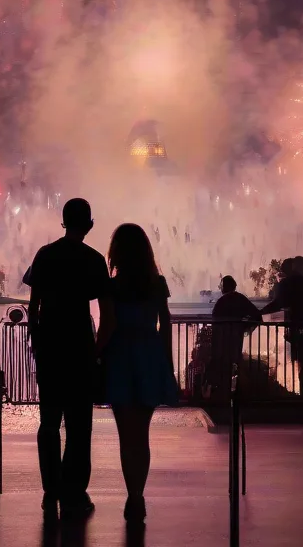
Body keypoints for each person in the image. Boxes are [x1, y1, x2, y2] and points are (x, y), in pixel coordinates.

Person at [24, 197, 111, 522]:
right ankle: (74, 491)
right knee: (79, 427)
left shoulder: (45, 255)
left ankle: (51, 490)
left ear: (63, 221)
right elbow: (106, 313)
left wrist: (37, 343)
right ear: (88, 225)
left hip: (50, 349)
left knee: (48, 423)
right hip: (80, 350)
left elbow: (34, 308)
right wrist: (98, 351)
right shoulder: (94, 259)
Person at [96, 223, 179, 526]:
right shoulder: (156, 283)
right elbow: (166, 323)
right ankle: (137, 497)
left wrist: (97, 354)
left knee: (125, 435)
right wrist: (166, 364)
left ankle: (132, 494)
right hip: (149, 355)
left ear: (116, 251)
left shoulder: (112, 285)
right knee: (141, 435)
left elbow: (108, 324)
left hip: (120, 357)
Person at [260, 257, 303, 397]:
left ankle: (300, 392)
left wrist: (259, 314)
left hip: (293, 323)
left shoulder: (287, 283)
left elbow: (277, 303)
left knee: (298, 357)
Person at [208, 276, 261, 400]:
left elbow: (215, 319)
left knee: (221, 363)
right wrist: (244, 326)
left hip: (221, 339)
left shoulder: (222, 301)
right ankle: (233, 393)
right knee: (233, 363)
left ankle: (221, 393)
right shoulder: (240, 299)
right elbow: (256, 315)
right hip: (235, 338)